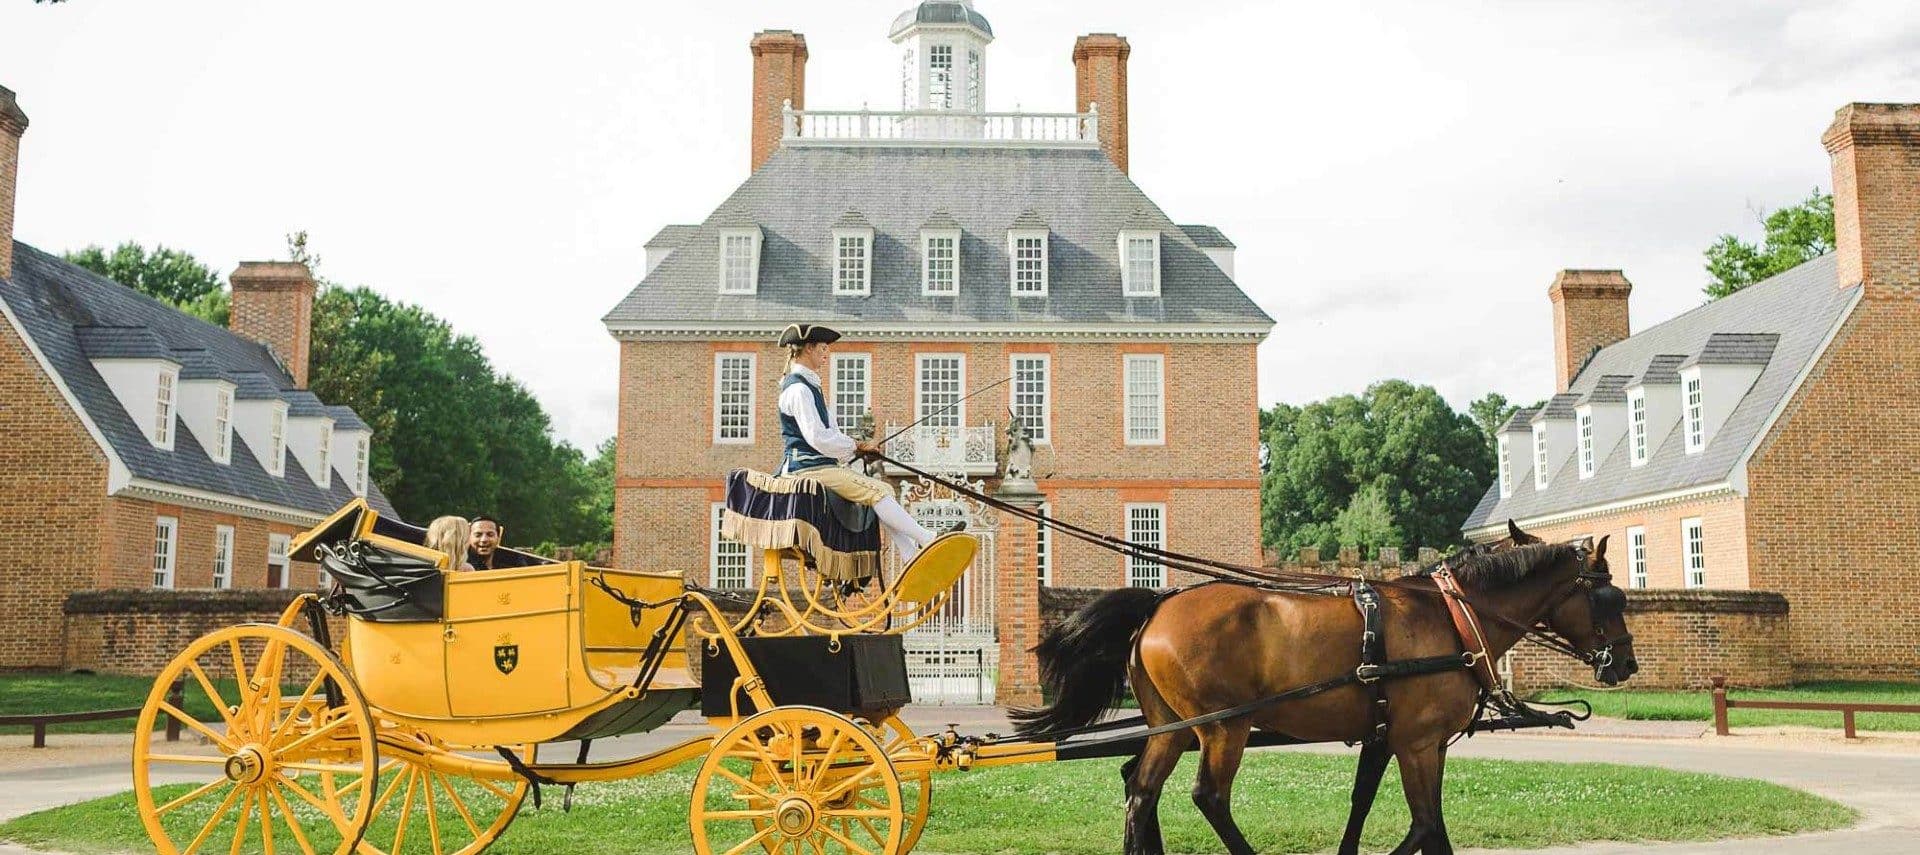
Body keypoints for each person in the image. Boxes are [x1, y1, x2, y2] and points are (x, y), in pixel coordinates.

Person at [775, 323, 940, 563]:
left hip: (821, 465)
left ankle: (909, 552)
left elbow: (831, 432)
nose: (825, 353)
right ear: (808, 348)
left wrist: (855, 449)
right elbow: (817, 437)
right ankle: (926, 539)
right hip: (807, 469)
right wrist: (856, 445)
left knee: (882, 490)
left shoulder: (811, 387)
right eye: (822, 347)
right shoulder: (799, 389)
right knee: (878, 491)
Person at [467, 514, 538, 570]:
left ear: (498, 538)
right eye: (478, 535)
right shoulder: (462, 568)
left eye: (490, 535)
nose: (484, 540)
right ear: (469, 538)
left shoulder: (513, 564)